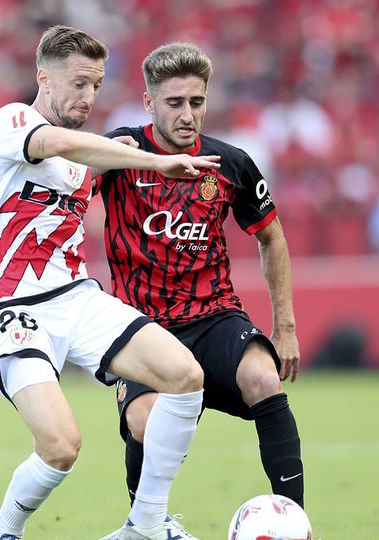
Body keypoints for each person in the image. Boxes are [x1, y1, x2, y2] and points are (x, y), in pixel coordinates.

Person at [0, 26, 222, 540]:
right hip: (14, 308)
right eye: (78, 83)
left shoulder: (91, 156)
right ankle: (4, 534)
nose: (88, 96)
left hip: (77, 297)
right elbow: (56, 143)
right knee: (60, 447)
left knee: (185, 375)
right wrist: (152, 159)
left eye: (97, 85)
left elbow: (101, 163)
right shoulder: (12, 121)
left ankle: (146, 523)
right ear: (44, 77)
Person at [94, 43, 304, 539]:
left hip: (213, 318)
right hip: (141, 326)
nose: (187, 115)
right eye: (174, 103)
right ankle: (148, 526)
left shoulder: (230, 163)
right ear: (149, 103)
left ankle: (294, 521)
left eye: (196, 102)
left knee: (264, 380)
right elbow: (65, 178)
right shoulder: (120, 152)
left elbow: (271, 235)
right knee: (145, 424)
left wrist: (286, 325)